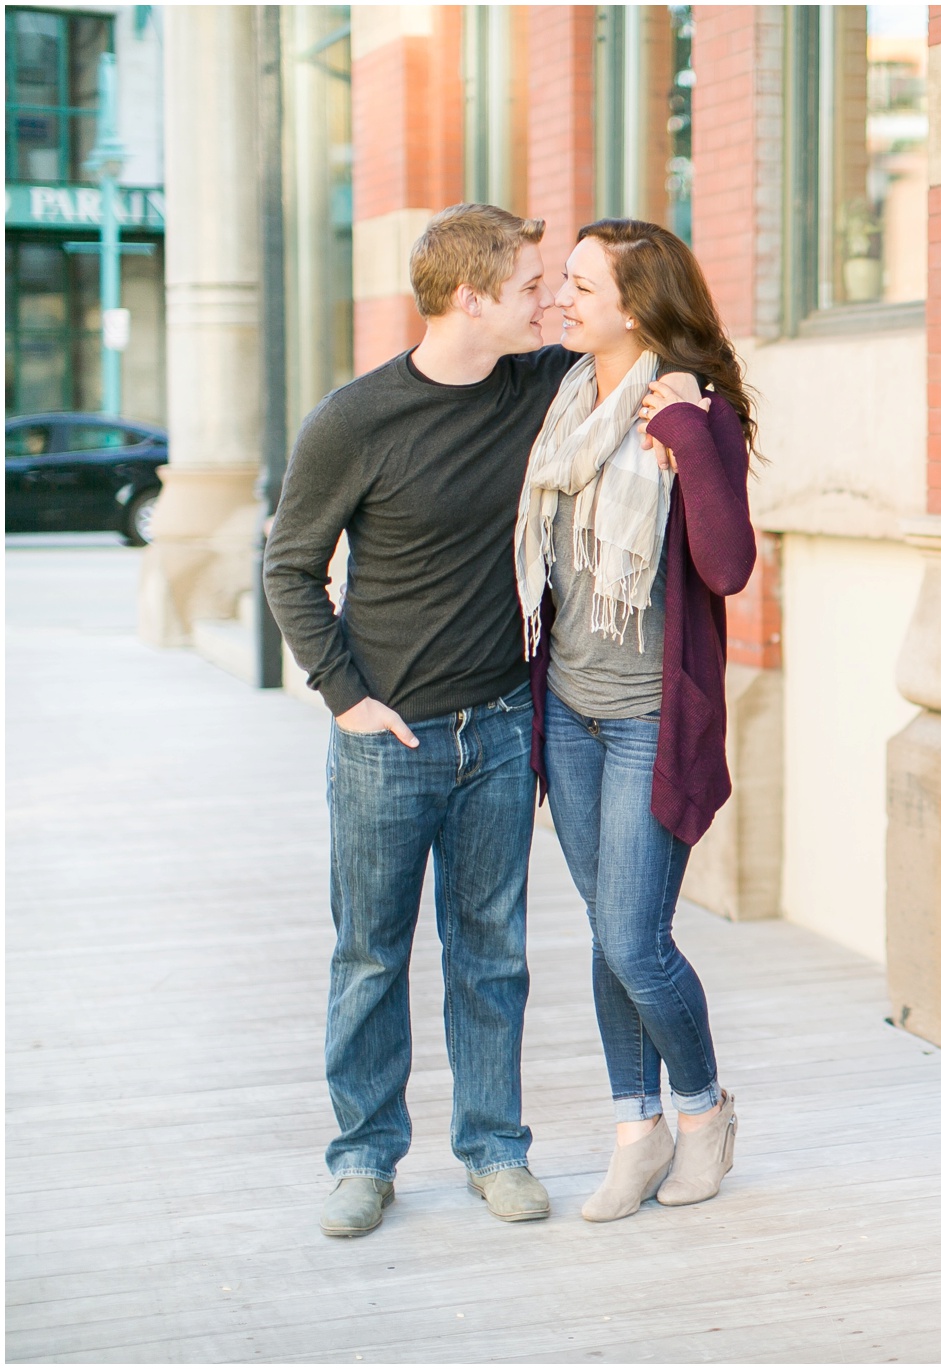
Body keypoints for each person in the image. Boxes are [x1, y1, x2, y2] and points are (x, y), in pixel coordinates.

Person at [265, 204, 587, 1237]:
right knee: (369, 954)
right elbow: (289, 566)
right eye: (532, 285)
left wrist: (679, 388)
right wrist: (346, 698)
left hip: (497, 728)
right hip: (386, 742)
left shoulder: (538, 384)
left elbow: (641, 347)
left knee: (493, 952)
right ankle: (364, 1155)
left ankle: (495, 1147)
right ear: (470, 298)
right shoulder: (356, 420)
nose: (549, 301)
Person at [514, 218, 756, 1222]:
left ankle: (701, 1114)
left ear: (635, 304)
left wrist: (692, 439)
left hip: (651, 717)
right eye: (563, 282)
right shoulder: (561, 404)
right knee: (611, 934)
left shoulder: (692, 416)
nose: (560, 299)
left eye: (578, 285)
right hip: (568, 714)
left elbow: (728, 567)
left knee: (632, 936)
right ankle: (634, 1128)